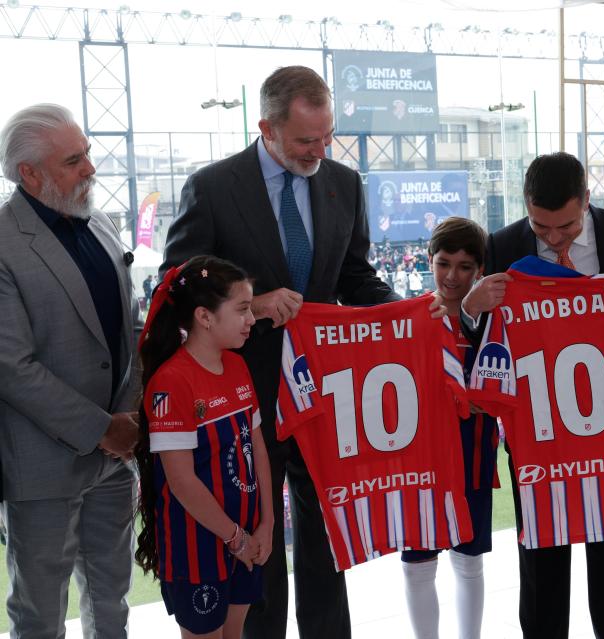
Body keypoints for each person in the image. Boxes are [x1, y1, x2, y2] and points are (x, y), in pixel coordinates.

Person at [161, 65, 398, 639]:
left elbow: (354, 276)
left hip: (322, 392)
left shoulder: (345, 182)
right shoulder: (214, 187)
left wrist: (402, 313)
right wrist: (251, 303)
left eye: (326, 137)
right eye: (304, 141)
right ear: (264, 126)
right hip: (240, 394)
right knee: (257, 539)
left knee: (324, 543)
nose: (318, 151)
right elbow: (175, 281)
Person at [462, 151, 604, 639]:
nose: (553, 238)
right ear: (526, 207)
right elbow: (481, 345)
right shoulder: (502, 244)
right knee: (541, 570)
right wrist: (471, 310)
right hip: (539, 436)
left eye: (564, 227)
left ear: (587, 201)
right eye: (542, 227)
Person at [0, 103, 140, 637]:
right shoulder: (5, 243)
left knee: (113, 602)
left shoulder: (98, 221)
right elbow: (12, 367)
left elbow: (128, 334)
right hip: (42, 464)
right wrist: (104, 429)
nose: (91, 169)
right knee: (39, 614)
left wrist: (125, 419)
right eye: (73, 159)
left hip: (114, 460)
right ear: (28, 174)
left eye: (88, 154)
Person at [136, 256, 274, 637]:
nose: (251, 319)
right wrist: (236, 538)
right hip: (198, 548)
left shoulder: (237, 366)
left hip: (247, 539)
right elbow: (181, 482)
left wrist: (267, 523)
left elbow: (256, 447)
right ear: (205, 316)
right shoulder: (172, 382)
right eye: (242, 309)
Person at [400, 217, 499, 639]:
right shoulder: (409, 317)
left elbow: (500, 386)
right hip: (420, 455)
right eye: (443, 263)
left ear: (479, 270)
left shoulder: (493, 320)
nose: (452, 276)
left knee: (469, 557)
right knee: (418, 561)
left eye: (464, 266)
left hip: (474, 450)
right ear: (428, 260)